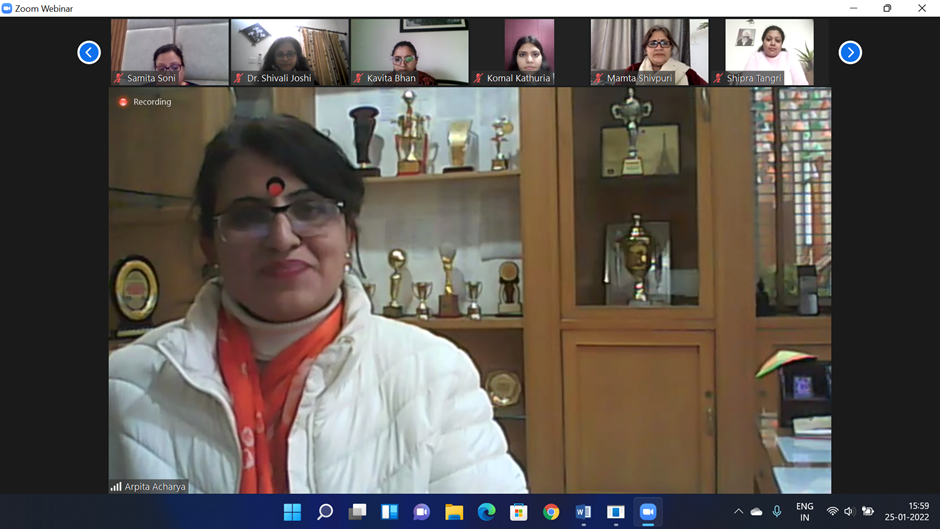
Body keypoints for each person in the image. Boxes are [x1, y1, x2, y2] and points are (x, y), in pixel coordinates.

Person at [108, 115, 527, 494]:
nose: (282, 238)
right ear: (209, 245)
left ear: (349, 233)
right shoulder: (128, 386)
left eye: (310, 209)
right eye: (249, 216)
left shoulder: (432, 374)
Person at [622, 26, 707, 85]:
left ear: (671, 48)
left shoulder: (687, 73)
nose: (659, 48)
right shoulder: (632, 71)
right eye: (653, 43)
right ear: (646, 49)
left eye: (664, 43)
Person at [743, 26, 809, 85]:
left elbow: (801, 83)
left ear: (781, 44)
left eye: (777, 40)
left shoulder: (789, 57)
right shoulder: (755, 57)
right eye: (768, 39)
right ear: (763, 41)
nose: (773, 43)